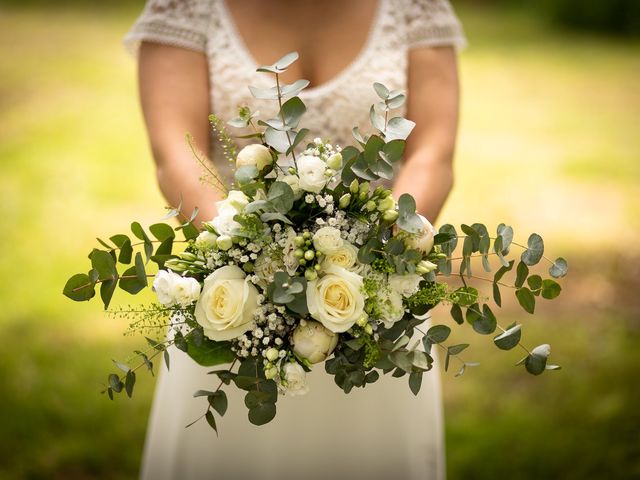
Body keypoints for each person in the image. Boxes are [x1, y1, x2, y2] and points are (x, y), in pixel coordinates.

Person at [124, 1, 466, 478]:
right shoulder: (187, 8)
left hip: (379, 303)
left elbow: (432, 151)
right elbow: (177, 154)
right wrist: (248, 253)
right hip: (233, 297)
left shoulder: (414, 9)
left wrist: (386, 252)